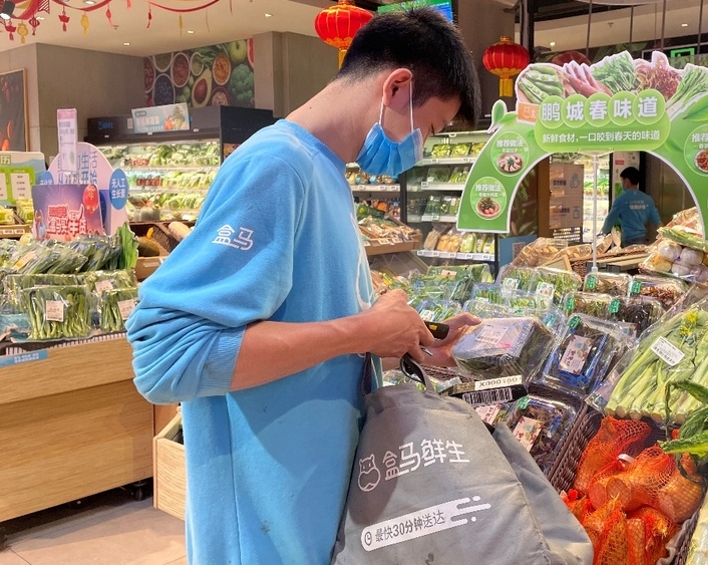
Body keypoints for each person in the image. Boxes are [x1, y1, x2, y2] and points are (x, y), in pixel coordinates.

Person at [125, 10, 481, 565]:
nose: (421, 149)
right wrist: (361, 330)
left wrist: (410, 339)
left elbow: (307, 323)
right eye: (429, 129)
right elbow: (167, 358)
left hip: (306, 517)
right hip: (261, 537)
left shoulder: (327, 173)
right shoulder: (276, 167)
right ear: (397, 87)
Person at [601, 166, 662, 246]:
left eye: (622, 180)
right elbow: (657, 222)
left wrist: (603, 234)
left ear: (627, 181)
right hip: (642, 239)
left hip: (628, 240)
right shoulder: (647, 199)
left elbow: (610, 219)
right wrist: (663, 237)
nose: (622, 183)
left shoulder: (621, 199)